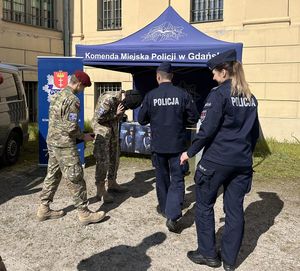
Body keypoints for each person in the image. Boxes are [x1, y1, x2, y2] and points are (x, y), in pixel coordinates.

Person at [180, 49, 260, 271]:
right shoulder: (250, 98)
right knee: (235, 210)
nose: (213, 77)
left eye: (214, 73)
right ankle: (230, 261)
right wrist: (245, 155)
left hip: (217, 161)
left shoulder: (218, 94)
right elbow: (254, 135)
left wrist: (190, 152)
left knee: (204, 205)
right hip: (242, 163)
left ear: (224, 72)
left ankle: (208, 254)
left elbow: (206, 130)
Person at [37, 70, 106, 226]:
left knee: (53, 175)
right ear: (79, 83)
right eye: (84, 87)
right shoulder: (73, 100)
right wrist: (84, 136)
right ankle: (84, 213)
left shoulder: (57, 95)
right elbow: (70, 127)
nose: (82, 90)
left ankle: (44, 208)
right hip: (64, 145)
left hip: (52, 142)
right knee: (76, 176)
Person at [138, 62, 199, 232]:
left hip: (158, 146)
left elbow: (142, 119)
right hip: (178, 146)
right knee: (177, 179)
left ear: (158, 77)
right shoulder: (182, 94)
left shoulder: (150, 96)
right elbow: (193, 117)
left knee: (162, 178)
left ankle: (165, 208)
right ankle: (172, 215)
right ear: (171, 77)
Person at [92, 89, 142, 203]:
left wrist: (118, 116)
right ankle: (100, 190)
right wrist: (116, 114)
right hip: (102, 134)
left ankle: (112, 183)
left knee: (115, 158)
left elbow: (117, 118)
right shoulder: (108, 99)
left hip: (113, 132)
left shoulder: (121, 101)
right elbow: (99, 118)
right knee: (103, 161)